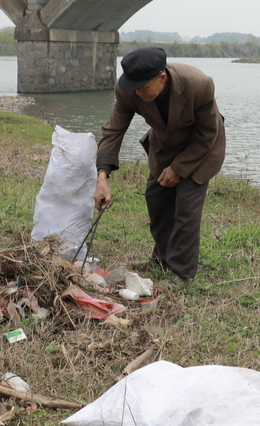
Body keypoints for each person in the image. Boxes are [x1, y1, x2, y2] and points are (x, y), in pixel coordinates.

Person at [94, 47, 226, 285]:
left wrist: (178, 169)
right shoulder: (128, 90)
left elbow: (208, 133)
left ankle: (182, 273)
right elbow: (114, 130)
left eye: (143, 87)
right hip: (164, 145)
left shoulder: (199, 84)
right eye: (132, 86)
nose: (137, 92)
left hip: (201, 148)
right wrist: (102, 176)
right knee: (156, 199)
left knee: (186, 207)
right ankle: (162, 258)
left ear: (162, 78)